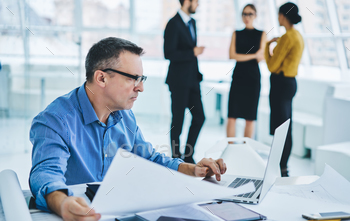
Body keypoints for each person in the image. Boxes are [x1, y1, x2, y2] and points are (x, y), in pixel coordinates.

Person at [29, 37, 227, 221]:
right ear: (101, 78)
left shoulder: (124, 115)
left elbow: (149, 158)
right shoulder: (55, 120)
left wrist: (194, 169)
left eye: (142, 79)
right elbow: (46, 174)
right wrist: (63, 203)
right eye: (133, 78)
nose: (140, 88)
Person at [265, 2, 304, 177]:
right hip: (290, 83)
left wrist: (268, 46)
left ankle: (281, 165)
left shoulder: (287, 36)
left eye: (279, 14)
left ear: (283, 16)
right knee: (286, 123)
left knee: (281, 126)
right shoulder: (298, 35)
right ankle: (283, 164)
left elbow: (272, 65)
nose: (278, 17)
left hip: (280, 84)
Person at [163, 0, 205, 164]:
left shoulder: (192, 22)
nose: (198, 5)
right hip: (178, 81)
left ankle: (188, 154)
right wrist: (192, 52)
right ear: (187, 1)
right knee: (178, 120)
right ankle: (175, 157)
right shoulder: (173, 24)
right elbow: (169, 53)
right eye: (196, 1)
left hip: (193, 80)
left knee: (199, 117)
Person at [226, 4, 266, 140]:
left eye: (250, 14)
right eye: (244, 14)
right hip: (238, 77)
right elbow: (232, 55)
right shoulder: (236, 33)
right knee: (232, 116)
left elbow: (261, 57)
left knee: (250, 117)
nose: (247, 17)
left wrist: (246, 56)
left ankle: (245, 150)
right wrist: (253, 55)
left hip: (253, 78)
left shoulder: (262, 34)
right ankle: (230, 150)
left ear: (255, 16)